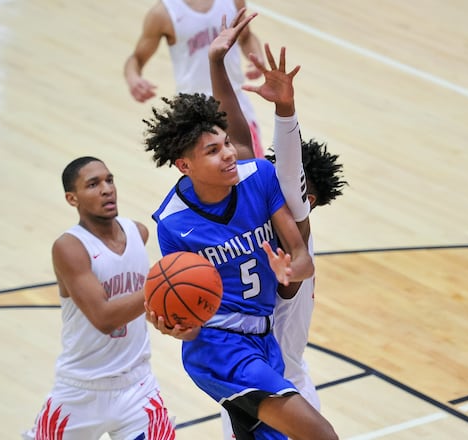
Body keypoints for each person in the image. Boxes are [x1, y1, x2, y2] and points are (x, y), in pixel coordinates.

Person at [141, 10, 339, 439]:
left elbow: (300, 257)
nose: (229, 153)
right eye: (213, 150)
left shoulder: (260, 179)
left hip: (265, 343)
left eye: (226, 143)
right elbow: (185, 302)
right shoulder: (174, 223)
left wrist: (292, 271)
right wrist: (177, 324)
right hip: (221, 348)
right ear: (184, 165)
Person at [206, 13, 347, 437]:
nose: (269, 175)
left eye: (287, 180)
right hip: (253, 385)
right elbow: (243, 141)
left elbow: (286, 167)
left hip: (282, 386)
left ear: (308, 198)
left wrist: (286, 109)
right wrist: (217, 62)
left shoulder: (296, 232)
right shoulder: (266, 209)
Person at [23, 157, 175, 440]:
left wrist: (174, 320)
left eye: (109, 180)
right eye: (93, 184)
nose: (106, 189)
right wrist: (162, 285)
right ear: (72, 198)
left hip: (138, 384)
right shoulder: (70, 248)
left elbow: (145, 309)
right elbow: (104, 318)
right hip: (81, 391)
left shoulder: (138, 233)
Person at [124, 0, 266, 158]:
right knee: (211, 175)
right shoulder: (162, 14)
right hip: (195, 110)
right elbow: (136, 58)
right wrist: (133, 78)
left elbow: (246, 37)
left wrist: (256, 56)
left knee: (254, 166)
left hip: (234, 100)